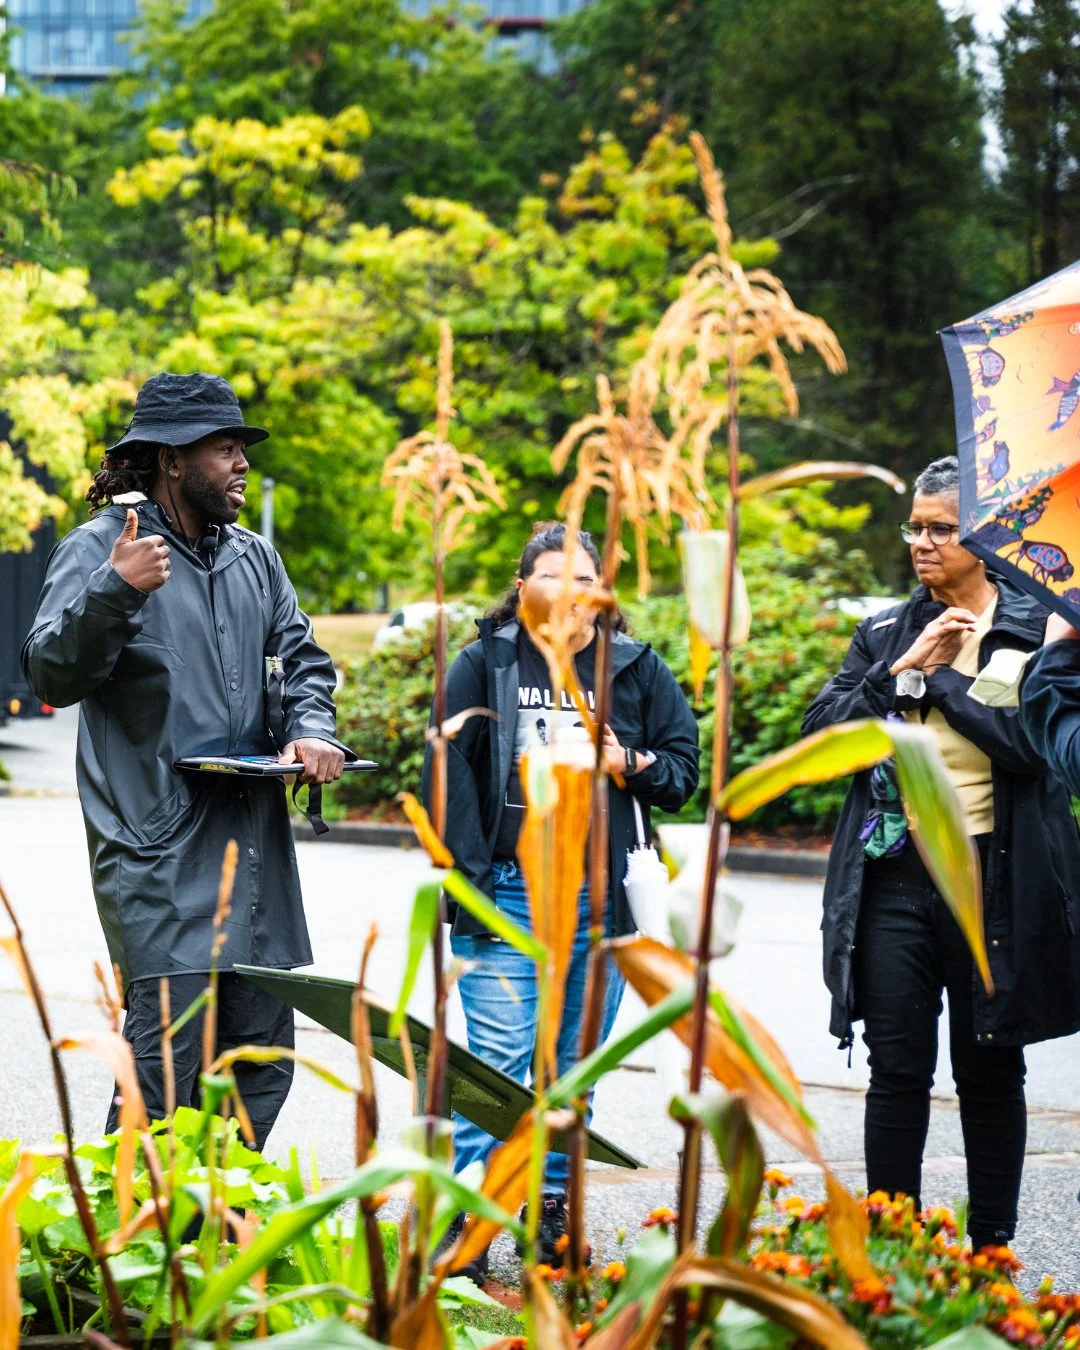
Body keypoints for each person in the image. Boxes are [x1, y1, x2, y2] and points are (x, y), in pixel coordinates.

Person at [22, 372, 349, 1150]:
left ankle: (215, 1242)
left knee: (260, 1064)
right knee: (165, 1072)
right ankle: (123, 1249)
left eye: (241, 448)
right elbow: (48, 673)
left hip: (255, 857)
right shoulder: (105, 549)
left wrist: (313, 728)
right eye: (225, 448)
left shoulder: (255, 558)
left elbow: (305, 660)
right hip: (157, 858)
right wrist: (113, 592)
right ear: (172, 459)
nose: (241, 464)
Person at [802, 455, 1080, 1253]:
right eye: (915, 528)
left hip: (999, 878)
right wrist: (901, 672)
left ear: (985, 538)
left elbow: (1032, 745)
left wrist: (934, 687)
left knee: (991, 1071)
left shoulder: (1033, 625)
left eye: (941, 528)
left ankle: (990, 1250)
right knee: (897, 1071)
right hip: (896, 877)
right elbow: (824, 740)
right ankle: (894, 1251)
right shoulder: (888, 631)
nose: (922, 543)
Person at [423, 522, 699, 1282]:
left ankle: (547, 1207)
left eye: (586, 578)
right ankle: (467, 1214)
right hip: (507, 894)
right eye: (553, 576)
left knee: (572, 1070)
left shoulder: (635, 670)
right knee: (500, 1061)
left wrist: (629, 760)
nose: (571, 593)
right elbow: (442, 767)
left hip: (598, 900)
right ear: (521, 588)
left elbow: (682, 770)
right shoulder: (484, 665)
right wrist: (468, 879)